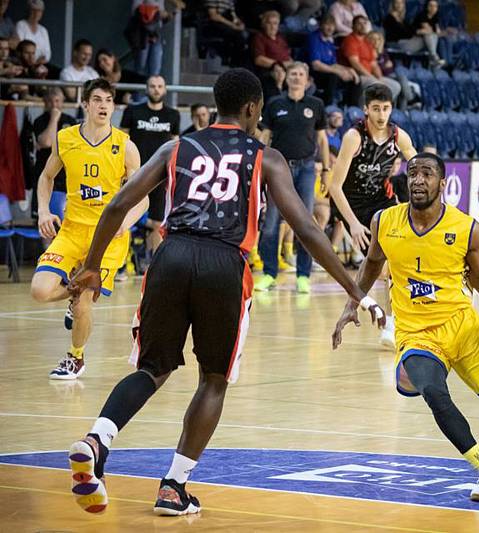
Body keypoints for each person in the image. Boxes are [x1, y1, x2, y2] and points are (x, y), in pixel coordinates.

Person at [65, 68, 385, 516]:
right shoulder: (265, 156)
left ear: (216, 104)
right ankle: (174, 487)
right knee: (214, 378)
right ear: (253, 109)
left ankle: (98, 438)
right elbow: (307, 228)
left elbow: (119, 204)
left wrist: (94, 267)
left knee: (152, 367)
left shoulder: (177, 145)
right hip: (224, 264)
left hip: (170, 256)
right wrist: (357, 291)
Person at [332, 153, 479, 502]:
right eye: (413, 174)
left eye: (427, 174)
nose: (418, 180)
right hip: (415, 333)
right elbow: (372, 264)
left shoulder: (466, 228)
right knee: (435, 394)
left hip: (463, 329)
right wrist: (352, 303)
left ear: (442, 183)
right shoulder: (385, 221)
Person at [30, 78, 147, 380]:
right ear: (85, 104)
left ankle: (75, 357)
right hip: (71, 230)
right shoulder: (65, 138)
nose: (104, 105)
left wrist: (126, 221)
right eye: (97, 99)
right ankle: (74, 289)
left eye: (109, 100)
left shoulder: (125, 146)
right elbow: (46, 177)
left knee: (83, 305)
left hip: (107, 238)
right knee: (40, 291)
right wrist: (44, 211)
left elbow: (142, 198)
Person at [329, 83, 415, 347]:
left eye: (386, 108)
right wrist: (352, 224)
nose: (381, 114)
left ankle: (391, 323)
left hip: (382, 201)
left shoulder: (398, 136)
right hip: (353, 204)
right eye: (376, 108)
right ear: (366, 109)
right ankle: (371, 309)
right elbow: (334, 186)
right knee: (377, 267)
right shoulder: (354, 137)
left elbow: (418, 162)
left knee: (395, 263)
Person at [256, 61, 330, 293]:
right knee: (270, 225)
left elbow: (322, 139)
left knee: (305, 223)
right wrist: (256, 165)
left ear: (307, 80)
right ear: (286, 78)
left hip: (307, 169)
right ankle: (269, 274)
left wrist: (326, 169)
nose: (297, 77)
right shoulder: (275, 104)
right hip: (278, 170)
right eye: (293, 74)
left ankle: (303, 276)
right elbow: (265, 136)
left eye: (301, 74)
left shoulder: (316, 105)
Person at [120, 75, 181, 253]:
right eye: (152, 86)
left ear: (165, 90)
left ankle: (152, 263)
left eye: (160, 86)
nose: (156, 89)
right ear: (147, 89)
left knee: (157, 222)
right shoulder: (132, 111)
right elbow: (122, 141)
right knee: (126, 215)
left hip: (161, 175)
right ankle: (125, 262)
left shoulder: (173, 115)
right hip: (135, 173)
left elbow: (175, 145)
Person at [30, 87, 78, 225]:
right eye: (50, 101)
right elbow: (46, 142)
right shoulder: (40, 121)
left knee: (64, 222)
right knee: (45, 221)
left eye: (57, 101)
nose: (54, 105)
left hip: (65, 178)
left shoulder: (71, 121)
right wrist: (54, 119)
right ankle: (47, 247)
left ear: (63, 102)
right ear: (45, 102)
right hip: (45, 175)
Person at [340, 16, 401, 103]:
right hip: (358, 75)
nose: (362, 25)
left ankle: (380, 109)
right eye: (359, 23)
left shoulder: (366, 42)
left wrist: (379, 78)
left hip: (369, 75)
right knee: (378, 86)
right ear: (353, 26)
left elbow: (374, 64)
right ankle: (364, 111)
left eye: (364, 23)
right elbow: (355, 64)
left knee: (395, 86)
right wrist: (371, 77)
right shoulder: (350, 40)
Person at [307, 13, 360, 107]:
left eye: (332, 25)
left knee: (354, 76)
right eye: (327, 24)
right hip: (312, 72)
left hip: (326, 71)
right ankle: (328, 107)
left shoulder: (330, 41)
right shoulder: (314, 38)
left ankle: (352, 109)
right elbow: (316, 65)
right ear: (321, 25)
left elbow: (334, 64)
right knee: (333, 76)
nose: (330, 28)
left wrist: (348, 70)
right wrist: (338, 72)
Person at [383, 0, 441, 65]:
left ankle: (433, 57)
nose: (399, 5)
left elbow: (410, 29)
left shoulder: (402, 18)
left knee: (430, 34)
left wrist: (419, 31)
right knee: (429, 35)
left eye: (401, 3)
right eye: (397, 3)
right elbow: (400, 33)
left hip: (407, 41)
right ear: (393, 4)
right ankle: (433, 57)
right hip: (397, 43)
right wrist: (418, 31)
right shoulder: (389, 18)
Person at [202, 0, 247, 66]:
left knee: (243, 34)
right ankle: (231, 61)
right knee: (236, 36)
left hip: (227, 25)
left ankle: (236, 62)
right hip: (212, 25)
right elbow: (213, 16)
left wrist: (240, 23)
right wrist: (232, 25)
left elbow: (233, 16)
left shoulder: (229, 1)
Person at [252, 11, 292, 75]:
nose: (272, 27)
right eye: (269, 23)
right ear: (263, 24)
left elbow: (287, 56)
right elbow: (258, 60)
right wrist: (280, 64)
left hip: (287, 70)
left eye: (275, 23)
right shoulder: (259, 37)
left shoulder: (280, 38)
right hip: (273, 71)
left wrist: (293, 65)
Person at [15, 0, 50, 65]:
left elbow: (47, 54)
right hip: (24, 64)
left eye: (39, 11)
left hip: (40, 65)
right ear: (28, 11)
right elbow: (21, 47)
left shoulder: (43, 30)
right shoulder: (21, 25)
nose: (36, 13)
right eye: (33, 10)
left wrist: (40, 61)